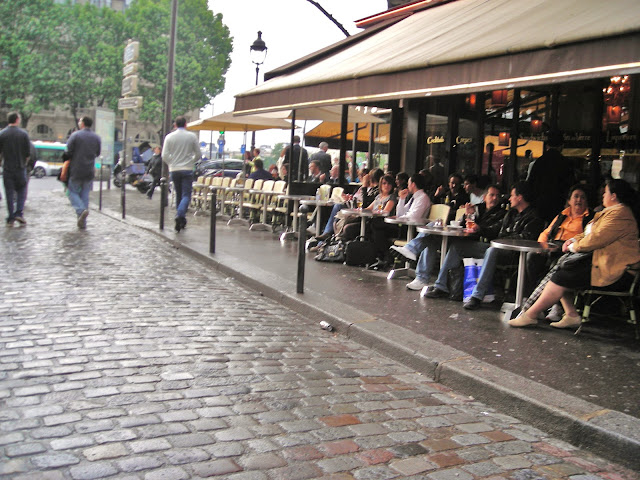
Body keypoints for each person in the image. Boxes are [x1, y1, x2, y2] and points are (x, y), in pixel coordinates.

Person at [510, 179, 640, 329]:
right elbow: (587, 233)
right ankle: (569, 315)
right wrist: (572, 240)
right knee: (562, 271)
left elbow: (595, 239)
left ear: (614, 196)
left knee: (561, 275)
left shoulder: (620, 214)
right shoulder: (609, 212)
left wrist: (573, 247)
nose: (603, 195)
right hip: (603, 263)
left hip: (617, 270)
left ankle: (531, 315)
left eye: (606, 192)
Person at [424, 182, 544, 309]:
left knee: (492, 251)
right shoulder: (510, 213)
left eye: (512, 195)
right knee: (457, 246)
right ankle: (441, 286)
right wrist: (474, 220)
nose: (509, 198)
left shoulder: (533, 217)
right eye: (492, 195)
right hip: (496, 246)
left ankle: (477, 296)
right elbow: (497, 230)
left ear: (519, 197)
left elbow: (525, 239)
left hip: (513, 253)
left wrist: (491, 234)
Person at [399, 185, 506, 291]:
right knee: (432, 232)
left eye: (497, 196)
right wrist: (467, 215)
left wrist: (479, 228)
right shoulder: (477, 208)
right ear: (484, 197)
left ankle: (413, 251)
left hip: (478, 243)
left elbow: (494, 231)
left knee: (453, 245)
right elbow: (464, 224)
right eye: (492, 195)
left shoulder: (501, 213)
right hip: (464, 238)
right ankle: (421, 277)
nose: (495, 198)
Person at [524, 185, 594, 310]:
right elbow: (546, 232)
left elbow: (588, 238)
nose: (579, 200)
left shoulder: (590, 218)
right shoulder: (562, 215)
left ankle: (555, 306)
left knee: (557, 266)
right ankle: (531, 296)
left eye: (582, 197)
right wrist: (541, 246)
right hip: (551, 247)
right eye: (576, 196)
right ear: (569, 201)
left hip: (570, 250)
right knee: (532, 257)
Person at [368, 173, 431, 270]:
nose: (407, 186)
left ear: (413, 184)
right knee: (377, 229)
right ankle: (384, 257)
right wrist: (402, 199)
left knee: (376, 226)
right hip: (404, 226)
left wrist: (400, 218)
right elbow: (401, 213)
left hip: (411, 229)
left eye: (409, 184)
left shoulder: (423, 198)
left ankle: (385, 257)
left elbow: (414, 217)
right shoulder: (414, 197)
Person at [527, 129, 575, 223]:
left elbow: (530, 184)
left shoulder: (539, 162)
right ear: (562, 146)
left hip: (539, 206)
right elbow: (570, 185)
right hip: (558, 205)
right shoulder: (566, 163)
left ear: (547, 146)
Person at [162, 116, 201, 232]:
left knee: (179, 194)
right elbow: (198, 154)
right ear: (185, 124)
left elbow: (164, 155)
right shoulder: (192, 136)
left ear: (175, 125)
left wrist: (172, 163)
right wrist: (191, 161)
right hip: (187, 169)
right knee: (186, 195)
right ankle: (179, 215)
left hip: (174, 169)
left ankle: (181, 220)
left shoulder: (169, 137)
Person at [65, 116, 101, 229]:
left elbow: (68, 151)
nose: (79, 122)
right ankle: (82, 221)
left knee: (71, 192)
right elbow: (98, 153)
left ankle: (81, 211)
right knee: (85, 194)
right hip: (89, 169)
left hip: (76, 169)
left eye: (80, 121)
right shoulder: (96, 137)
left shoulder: (75, 135)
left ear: (83, 123)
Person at [0, 112, 31, 226]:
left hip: (7, 168)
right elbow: (28, 153)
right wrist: (24, 162)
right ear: (17, 120)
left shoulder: (2, 134)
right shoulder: (23, 134)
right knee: (22, 190)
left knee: (9, 193)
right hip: (20, 167)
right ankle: (19, 213)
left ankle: (10, 217)